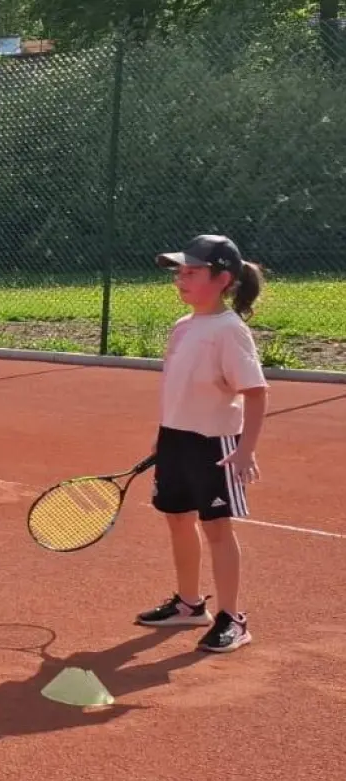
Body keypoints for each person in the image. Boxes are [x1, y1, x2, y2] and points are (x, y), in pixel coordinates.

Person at [134, 234, 268, 653]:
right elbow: (174, 388)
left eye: (191, 272)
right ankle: (190, 605)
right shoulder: (182, 327)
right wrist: (162, 438)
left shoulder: (230, 331)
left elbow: (256, 392)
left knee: (216, 527)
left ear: (223, 278)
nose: (180, 279)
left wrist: (245, 449)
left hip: (214, 444)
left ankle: (232, 617)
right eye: (179, 272)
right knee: (177, 519)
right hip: (176, 439)